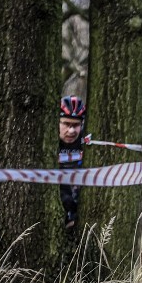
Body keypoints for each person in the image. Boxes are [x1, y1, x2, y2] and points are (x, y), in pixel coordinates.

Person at [59, 95, 86, 229]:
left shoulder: (86, 141)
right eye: (66, 124)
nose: (71, 131)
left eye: (76, 125)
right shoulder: (49, 142)